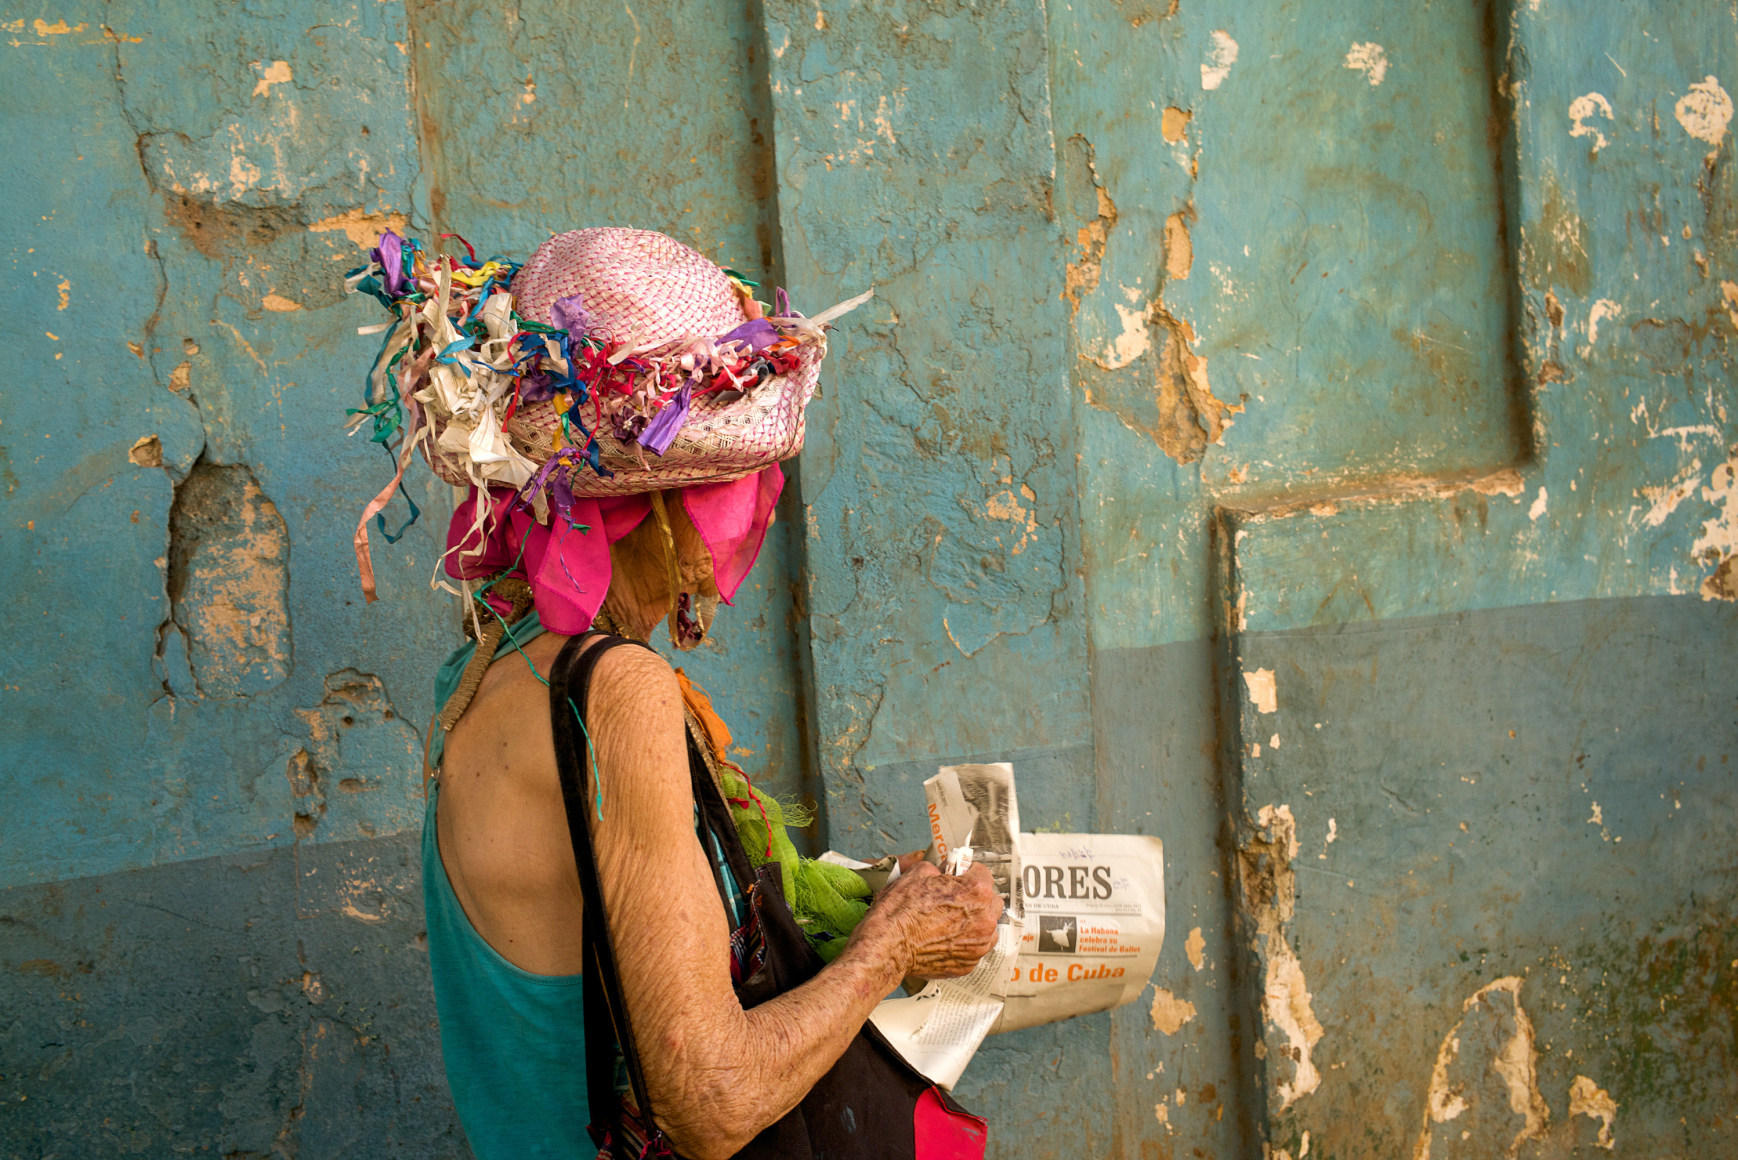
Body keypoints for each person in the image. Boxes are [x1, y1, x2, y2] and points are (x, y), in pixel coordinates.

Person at [345, 228, 1005, 1159]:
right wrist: (891, 947)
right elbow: (713, 1100)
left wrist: (875, 897)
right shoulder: (620, 692)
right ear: (655, 503)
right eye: (730, 488)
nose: (745, 520)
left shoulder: (489, 667)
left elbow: (642, 916)